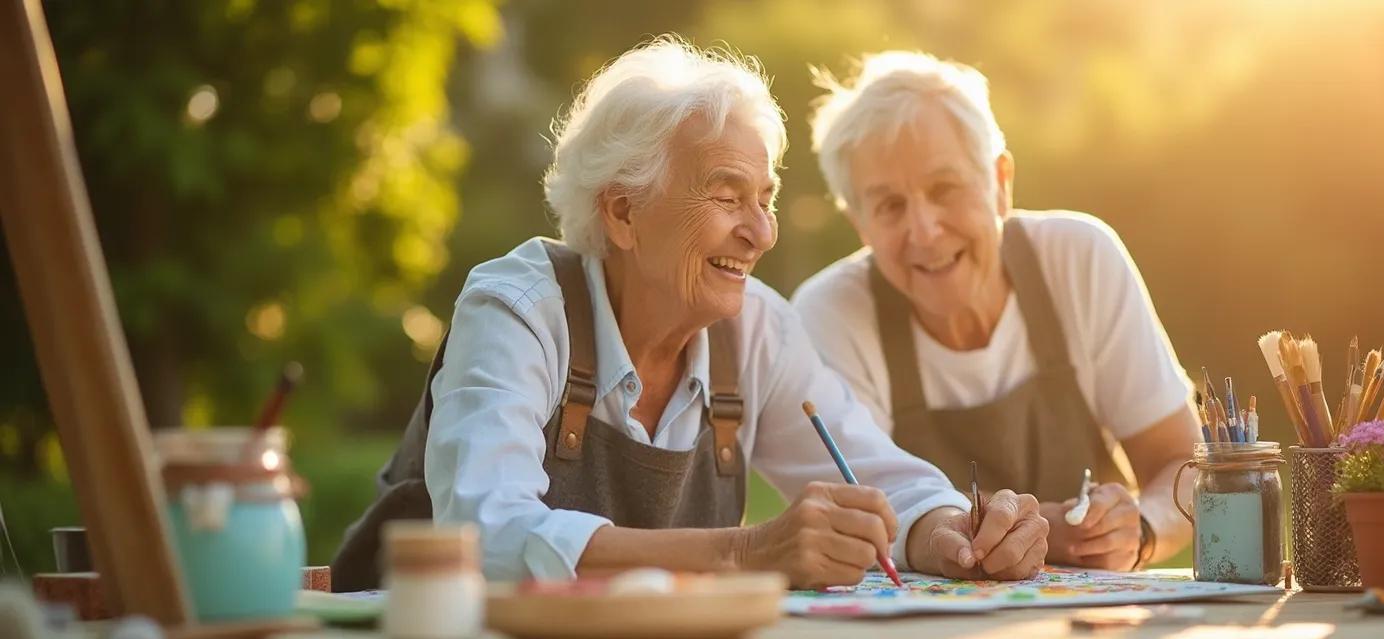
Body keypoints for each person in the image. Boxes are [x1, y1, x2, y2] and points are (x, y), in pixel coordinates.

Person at [330, 38, 1049, 591]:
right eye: (728, 196)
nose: (762, 232)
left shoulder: (756, 327)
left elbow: (884, 479)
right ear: (623, 212)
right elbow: (483, 536)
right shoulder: (518, 309)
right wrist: (744, 551)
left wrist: (955, 531)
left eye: (765, 199)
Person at [793, 51, 1197, 572]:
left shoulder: (1079, 259)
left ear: (1000, 181)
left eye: (944, 189)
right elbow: (859, 512)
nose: (924, 231)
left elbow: (1186, 464)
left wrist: (1141, 527)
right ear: (860, 224)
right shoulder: (830, 313)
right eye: (890, 205)